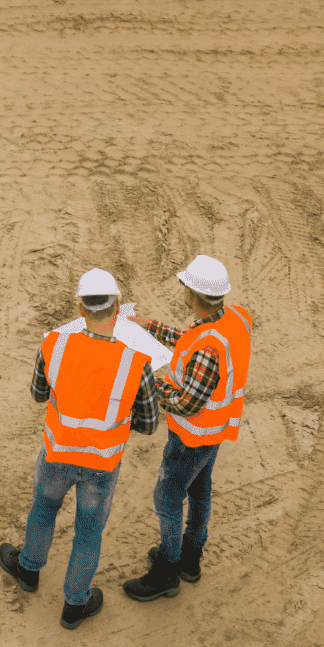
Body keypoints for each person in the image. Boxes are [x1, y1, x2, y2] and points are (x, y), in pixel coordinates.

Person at [0, 267, 172, 629]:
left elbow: (38, 394)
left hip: (57, 453)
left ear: (80, 307)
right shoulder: (135, 365)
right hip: (101, 465)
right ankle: (75, 604)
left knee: (43, 510)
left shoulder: (53, 346)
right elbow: (150, 424)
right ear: (118, 307)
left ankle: (28, 569)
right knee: (89, 532)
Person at [122, 254, 256, 602]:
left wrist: (151, 381)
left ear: (192, 294)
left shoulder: (207, 352)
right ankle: (190, 560)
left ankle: (167, 571)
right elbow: (191, 339)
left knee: (166, 499)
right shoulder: (235, 319)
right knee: (199, 489)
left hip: (190, 437)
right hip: (214, 432)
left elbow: (185, 403)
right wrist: (150, 326)